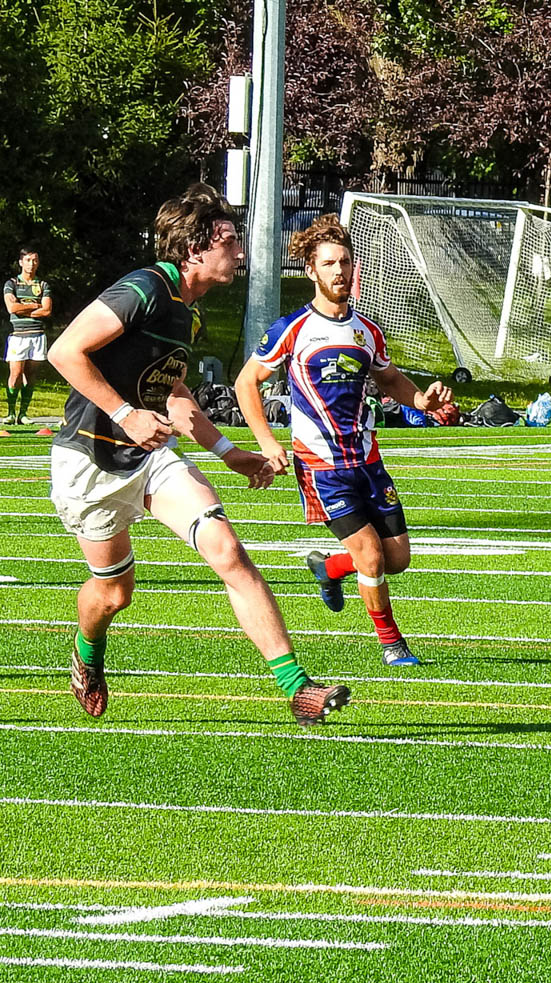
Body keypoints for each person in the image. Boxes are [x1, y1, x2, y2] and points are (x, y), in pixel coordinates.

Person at [47, 184, 347, 725]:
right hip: (89, 461)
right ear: (194, 249)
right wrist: (125, 414)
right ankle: (87, 652)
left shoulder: (190, 312)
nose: (240, 251)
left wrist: (231, 453)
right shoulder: (144, 289)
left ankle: (297, 688)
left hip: (149, 459)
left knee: (226, 547)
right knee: (114, 594)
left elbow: (176, 396)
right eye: (229, 240)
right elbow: (64, 350)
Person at [235, 214, 453, 667]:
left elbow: (388, 377)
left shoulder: (366, 331)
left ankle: (329, 568)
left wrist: (422, 401)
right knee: (371, 555)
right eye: (329, 263)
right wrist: (268, 441)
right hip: (321, 467)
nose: (339, 271)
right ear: (311, 270)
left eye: (346, 262)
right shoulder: (291, 329)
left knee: (397, 559)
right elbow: (245, 384)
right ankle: (393, 645)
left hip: (367, 460)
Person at [5, 246, 52, 426]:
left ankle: (23, 414)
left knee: (31, 375)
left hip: (37, 335)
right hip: (18, 335)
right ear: (21, 262)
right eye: (28, 260)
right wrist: (34, 306)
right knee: (15, 373)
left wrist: (23, 308)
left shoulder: (42, 285)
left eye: (35, 260)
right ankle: (10, 412)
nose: (31, 264)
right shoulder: (12, 284)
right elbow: (12, 308)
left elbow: (46, 310)